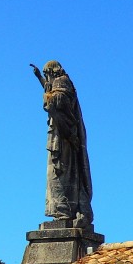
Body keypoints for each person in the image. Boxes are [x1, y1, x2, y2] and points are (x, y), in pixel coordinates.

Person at [39, 60, 94, 225]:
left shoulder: (61, 82)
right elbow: (52, 92)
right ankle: (61, 211)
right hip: (62, 134)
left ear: (52, 71)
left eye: (46, 74)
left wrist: (48, 98)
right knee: (58, 175)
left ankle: (64, 211)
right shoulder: (59, 82)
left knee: (60, 174)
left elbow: (59, 100)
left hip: (63, 136)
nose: (47, 78)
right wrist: (40, 80)